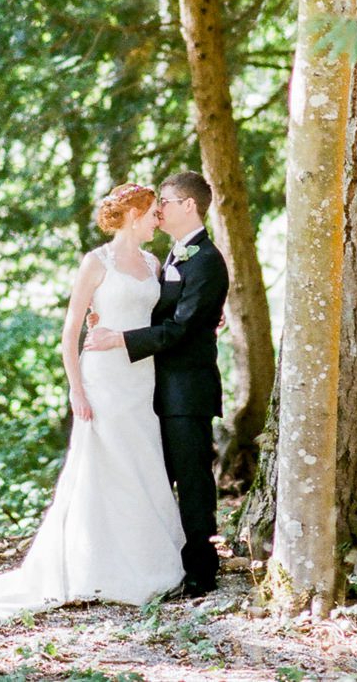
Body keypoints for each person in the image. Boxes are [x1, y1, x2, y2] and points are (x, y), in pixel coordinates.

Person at [0, 183, 184, 621]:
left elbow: (157, 320)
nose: (158, 219)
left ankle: (147, 565)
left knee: (140, 461)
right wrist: (75, 389)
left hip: (141, 377)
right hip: (102, 377)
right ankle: (95, 568)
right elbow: (70, 332)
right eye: (152, 212)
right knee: (103, 466)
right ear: (134, 215)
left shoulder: (152, 262)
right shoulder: (95, 262)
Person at [86, 169, 231, 598]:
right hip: (149, 387)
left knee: (192, 480)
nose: (158, 211)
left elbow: (183, 329)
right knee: (152, 479)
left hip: (187, 391)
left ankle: (203, 571)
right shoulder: (169, 257)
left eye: (164, 203)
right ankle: (159, 562)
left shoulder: (206, 259)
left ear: (189, 206)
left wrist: (120, 338)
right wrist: (109, 319)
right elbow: (162, 313)